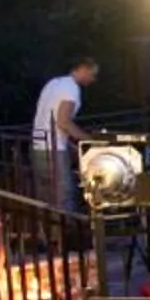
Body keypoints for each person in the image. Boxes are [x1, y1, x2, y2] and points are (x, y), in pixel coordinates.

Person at [31, 56, 98, 211]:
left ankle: (45, 226)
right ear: (83, 69)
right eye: (92, 74)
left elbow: (50, 119)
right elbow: (63, 122)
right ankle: (64, 226)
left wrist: (70, 145)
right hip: (54, 151)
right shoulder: (71, 88)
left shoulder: (53, 83)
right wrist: (89, 140)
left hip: (38, 147)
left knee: (45, 199)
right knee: (63, 197)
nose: (93, 79)